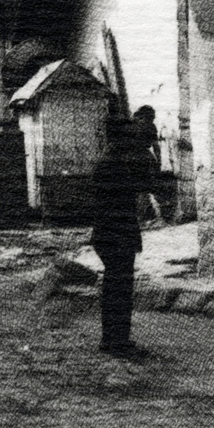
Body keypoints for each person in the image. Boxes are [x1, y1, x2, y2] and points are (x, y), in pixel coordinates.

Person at [91, 118, 154, 357]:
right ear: (119, 138)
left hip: (111, 234)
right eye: (128, 137)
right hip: (115, 235)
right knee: (119, 290)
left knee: (116, 289)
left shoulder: (111, 160)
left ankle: (114, 340)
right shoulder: (113, 164)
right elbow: (134, 188)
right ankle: (117, 342)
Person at [131, 104, 165, 225]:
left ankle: (139, 217)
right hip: (144, 158)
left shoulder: (131, 124)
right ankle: (147, 216)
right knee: (146, 187)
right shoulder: (150, 126)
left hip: (130, 158)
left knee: (136, 189)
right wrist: (159, 162)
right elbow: (156, 147)